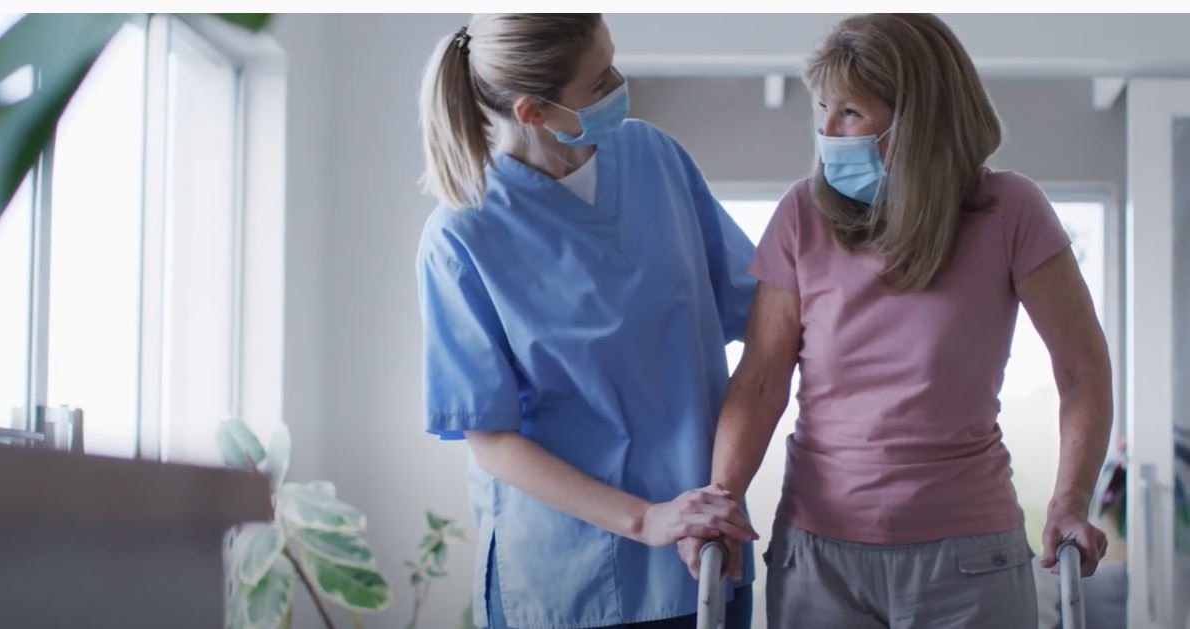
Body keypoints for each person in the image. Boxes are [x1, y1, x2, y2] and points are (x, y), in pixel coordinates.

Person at [681, 13, 1113, 628]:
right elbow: (758, 380)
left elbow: (1080, 369)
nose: (827, 131)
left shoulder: (1010, 209)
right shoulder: (802, 215)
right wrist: (721, 501)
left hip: (971, 557)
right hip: (821, 556)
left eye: (851, 112)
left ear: (920, 120)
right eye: (824, 109)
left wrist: (1069, 502)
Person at [416, 14, 758, 629]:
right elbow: (490, 438)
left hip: (702, 548)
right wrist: (646, 518)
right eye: (599, 82)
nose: (620, 87)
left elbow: (765, 313)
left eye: (613, 63)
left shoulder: (656, 159)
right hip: (566, 576)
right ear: (534, 111)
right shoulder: (462, 235)